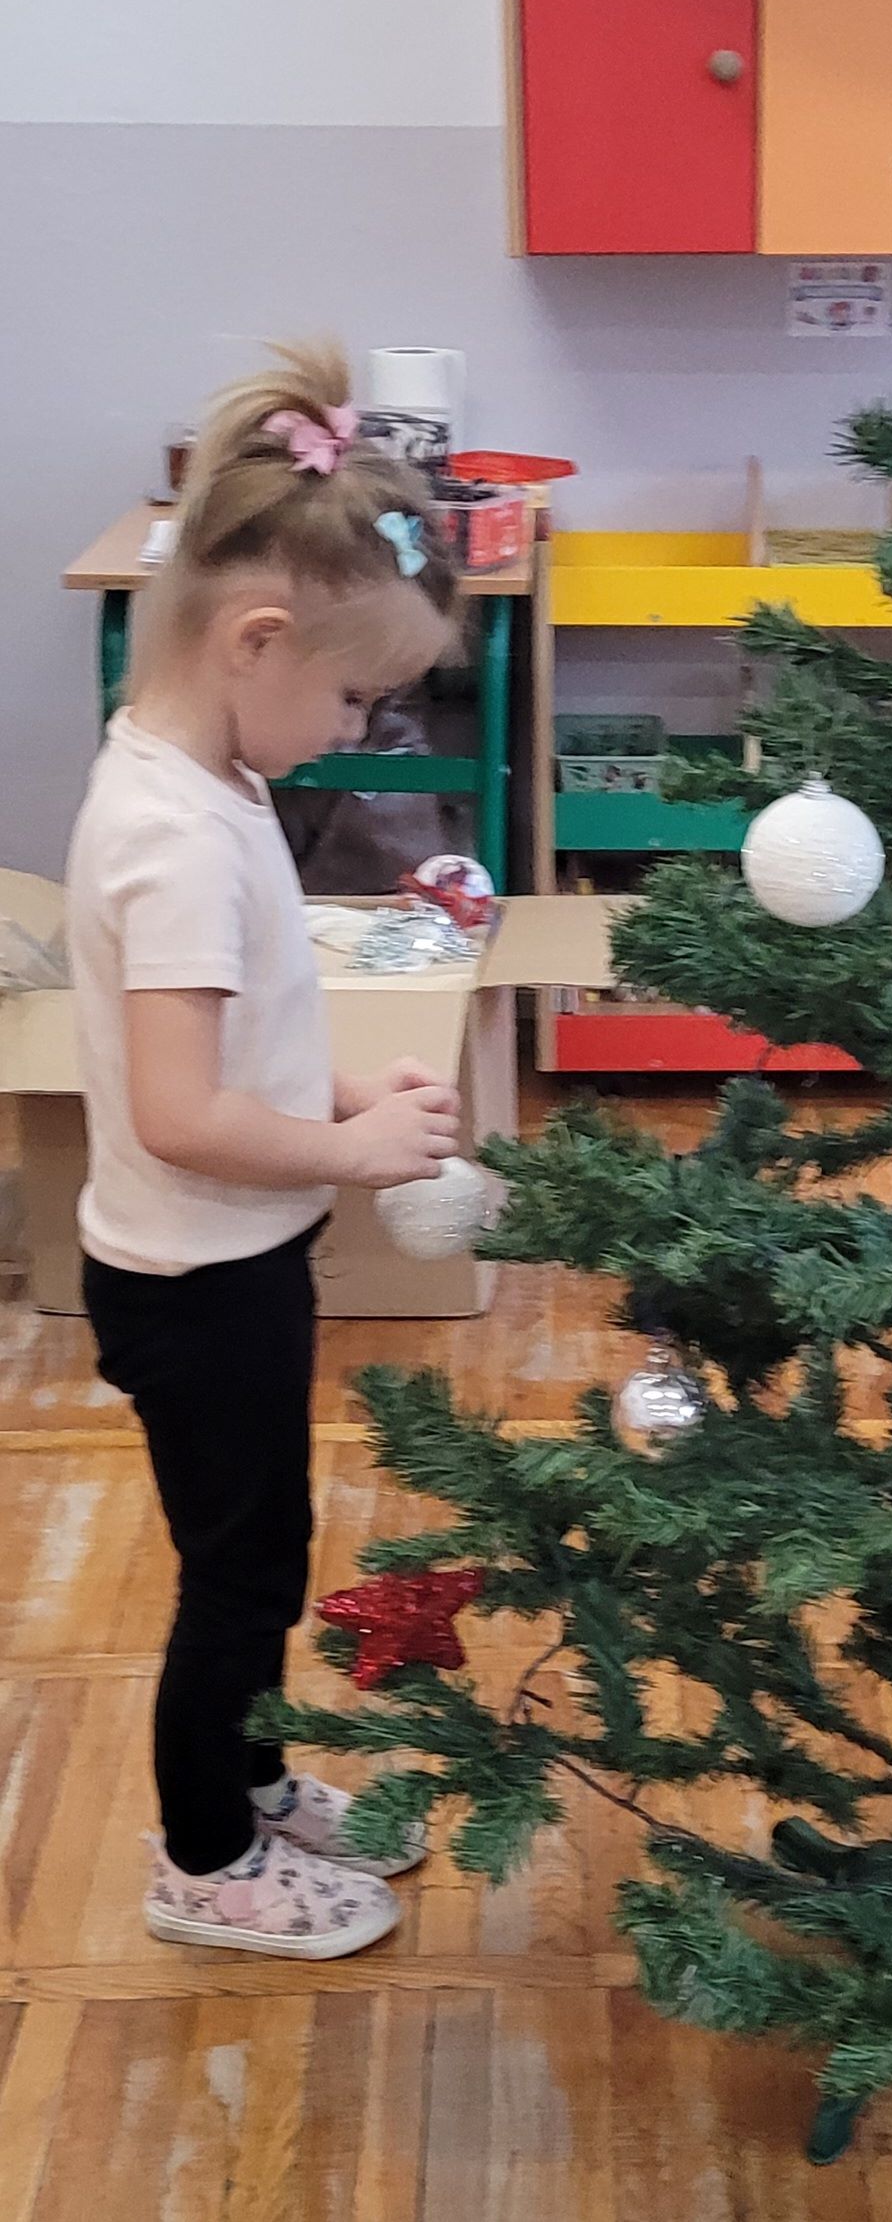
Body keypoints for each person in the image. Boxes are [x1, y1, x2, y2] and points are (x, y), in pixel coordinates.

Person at [67, 344, 464, 1959]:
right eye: (354, 696)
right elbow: (179, 1112)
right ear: (256, 640)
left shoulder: (202, 775)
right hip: (196, 1282)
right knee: (238, 1579)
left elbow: (230, 1049)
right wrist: (351, 1146)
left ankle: (254, 1779)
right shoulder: (172, 833)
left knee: (263, 1553)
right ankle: (205, 1860)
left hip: (230, 1260)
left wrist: (335, 1084)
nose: (358, 726)